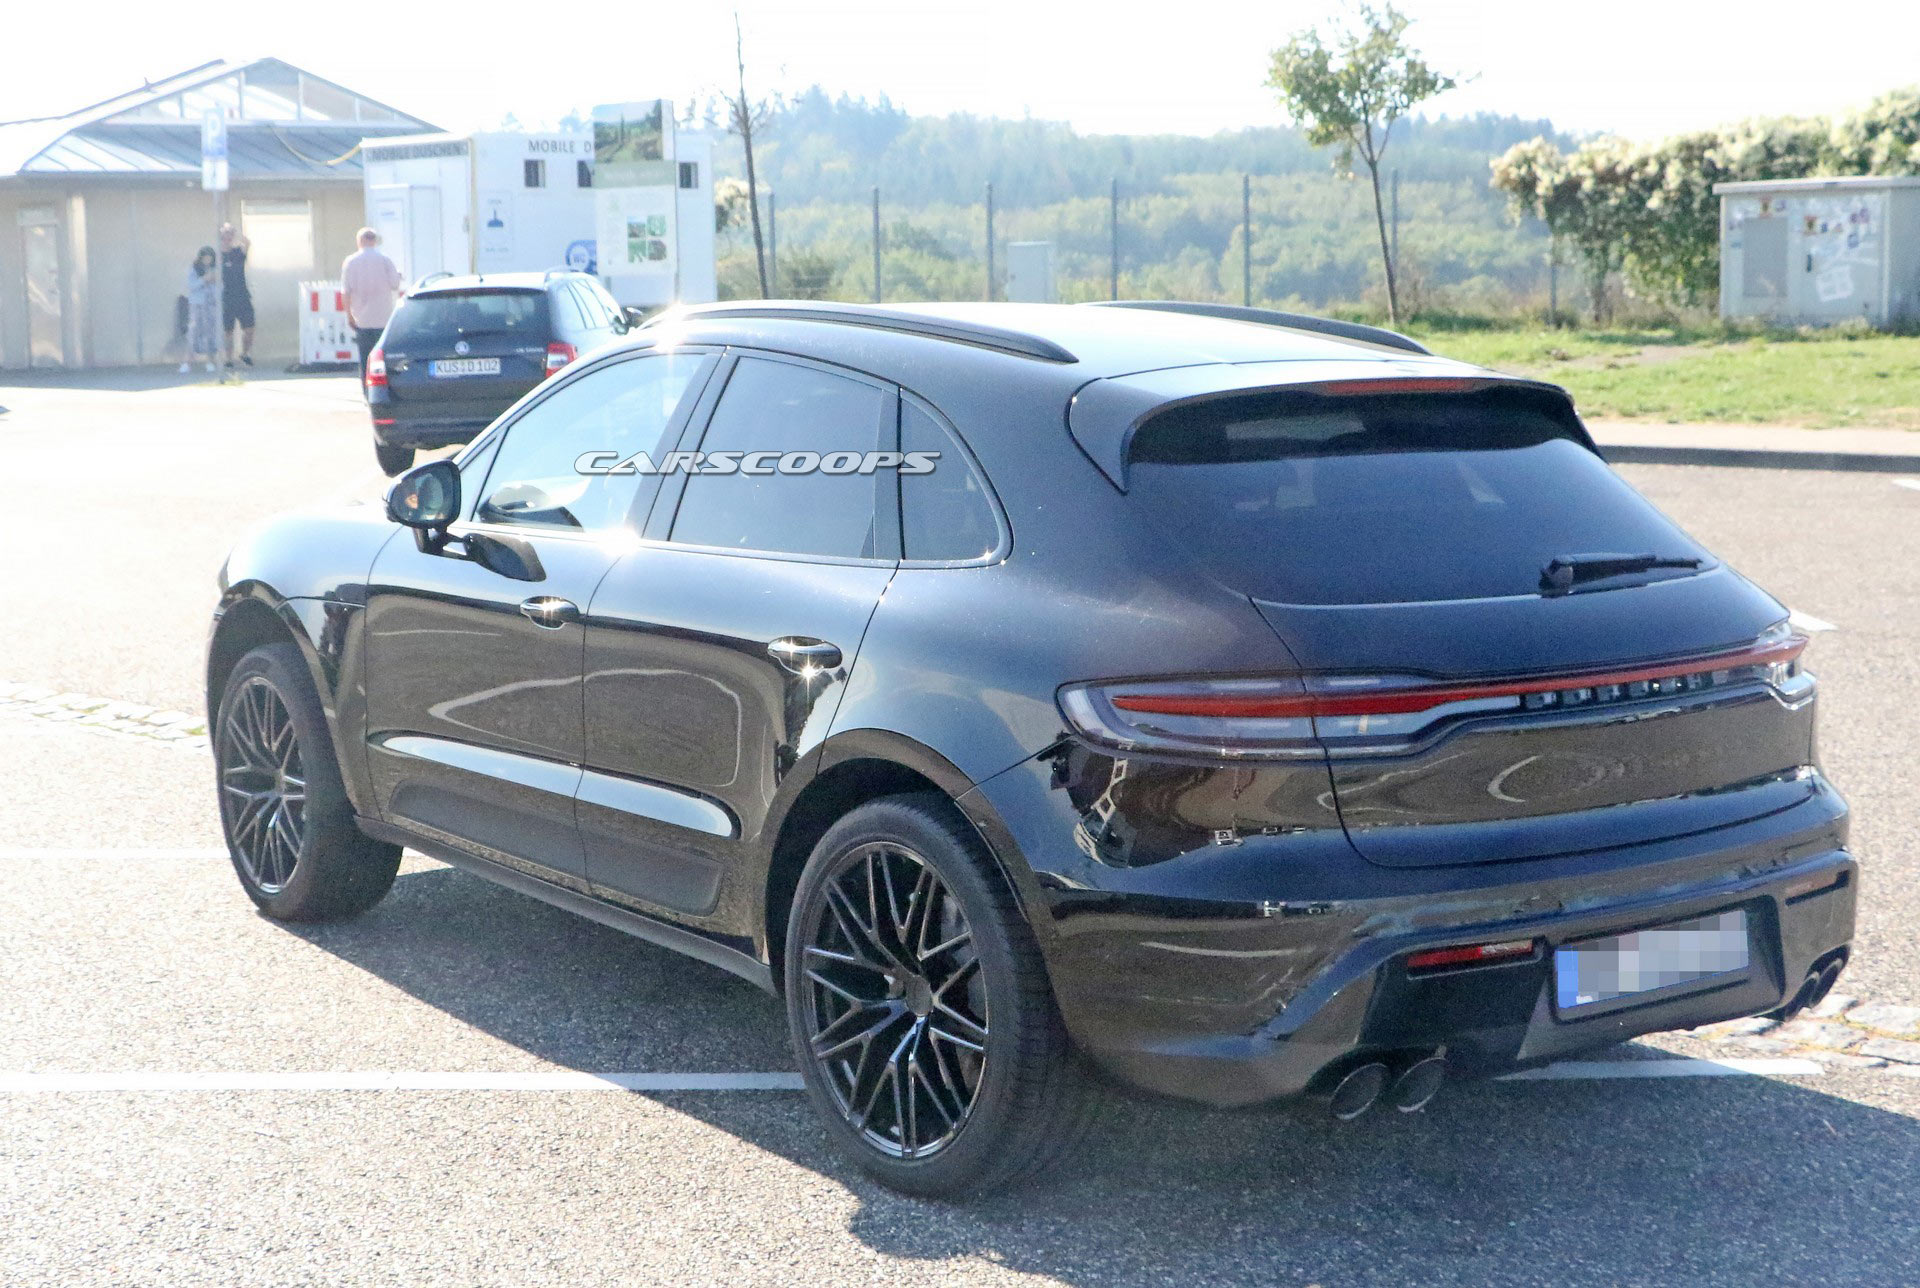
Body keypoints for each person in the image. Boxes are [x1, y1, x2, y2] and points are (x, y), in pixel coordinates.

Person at [341, 227, 402, 381]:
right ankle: (382, 387)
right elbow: (395, 284)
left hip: (362, 320)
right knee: (382, 357)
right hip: (384, 319)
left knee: (365, 358)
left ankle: (367, 389)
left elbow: (346, 292)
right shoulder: (385, 260)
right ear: (374, 241)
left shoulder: (350, 262)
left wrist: (349, 316)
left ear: (359, 241)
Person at [219, 222, 255, 369]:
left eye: (230, 234)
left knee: (249, 328)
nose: (227, 237)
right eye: (225, 234)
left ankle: (245, 353)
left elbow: (247, 243)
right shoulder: (217, 255)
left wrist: (236, 232)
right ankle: (228, 358)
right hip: (227, 297)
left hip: (242, 295)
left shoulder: (237, 253)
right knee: (228, 330)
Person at [181, 247, 220, 375]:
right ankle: (187, 362)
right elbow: (191, 286)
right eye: (205, 257)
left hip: (211, 305)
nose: (207, 259)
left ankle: (209, 361)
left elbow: (220, 288)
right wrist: (204, 279)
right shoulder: (194, 269)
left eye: (210, 257)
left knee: (210, 332)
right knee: (194, 332)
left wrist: (214, 282)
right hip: (197, 305)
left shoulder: (215, 270)